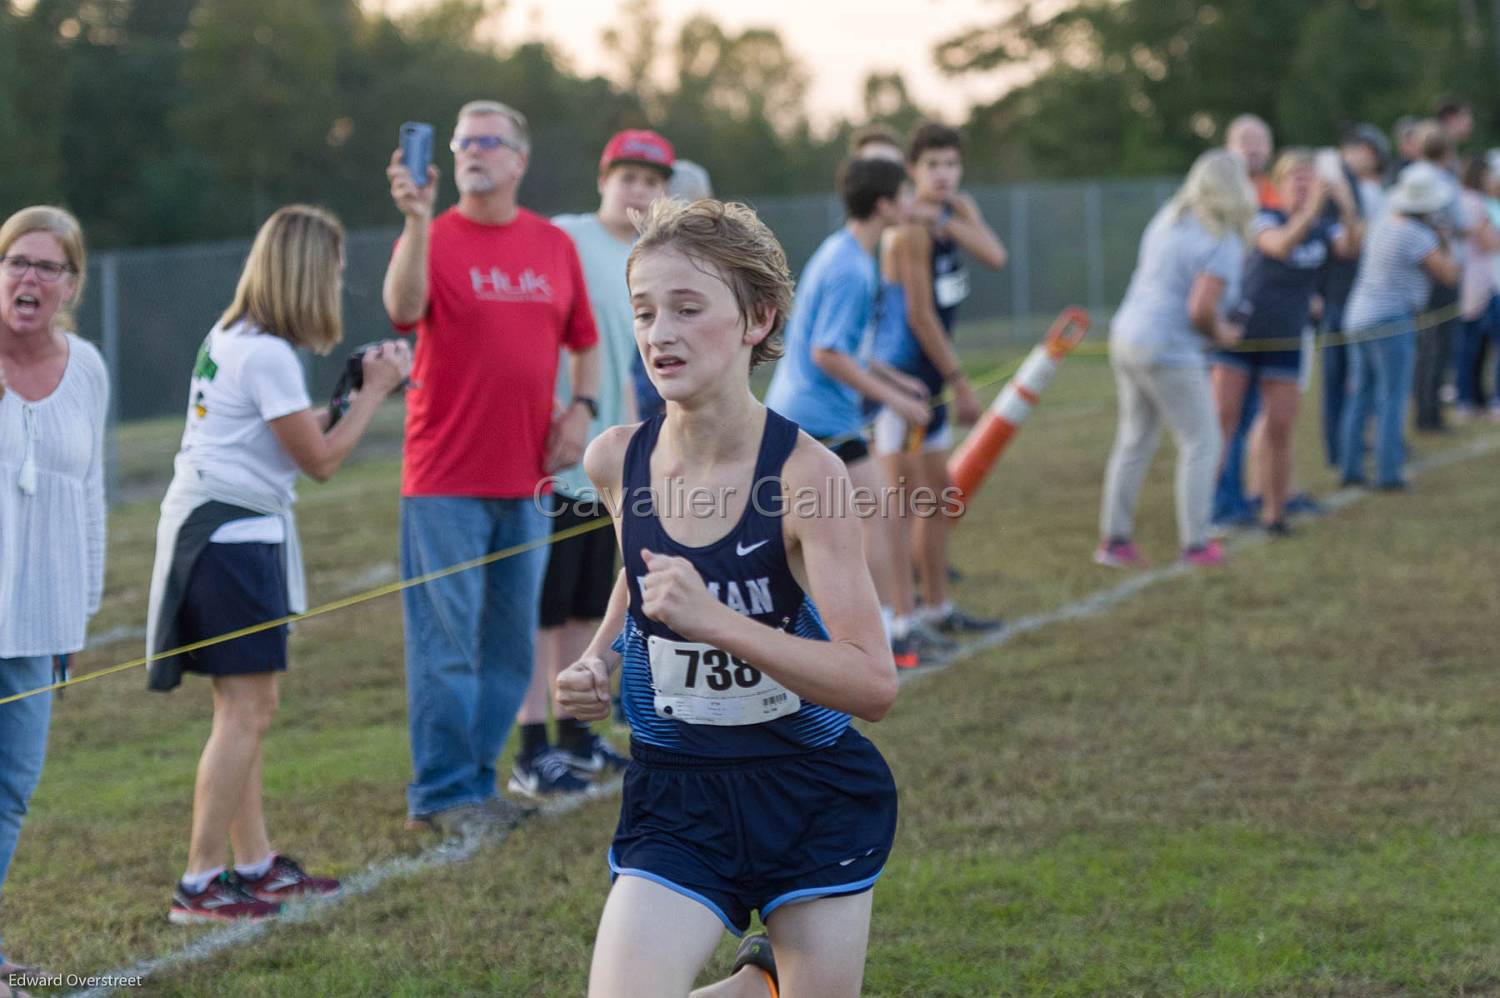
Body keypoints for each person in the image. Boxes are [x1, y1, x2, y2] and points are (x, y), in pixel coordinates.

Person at [556, 198, 899, 998]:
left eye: (686, 308)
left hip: (805, 788)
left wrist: (720, 622)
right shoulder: (616, 461)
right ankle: (759, 986)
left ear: (756, 319)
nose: (659, 334)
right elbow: (638, 575)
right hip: (679, 791)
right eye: (643, 312)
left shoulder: (808, 478)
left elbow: (873, 682)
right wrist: (598, 657)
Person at [145, 205, 412, 923]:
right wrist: (379, 394)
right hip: (229, 539)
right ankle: (199, 884)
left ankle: (255, 864)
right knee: (248, 711)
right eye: (333, 268)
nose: (338, 280)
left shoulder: (237, 335)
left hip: (221, 530)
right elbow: (322, 462)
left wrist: (352, 390)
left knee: (243, 711)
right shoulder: (263, 351)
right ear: (306, 272)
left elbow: (291, 440)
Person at [383, 100, 601, 833]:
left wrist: (583, 407)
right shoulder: (433, 235)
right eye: (464, 141)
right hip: (443, 481)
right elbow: (401, 307)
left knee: (508, 649)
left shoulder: (550, 244)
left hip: (528, 481)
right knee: (446, 649)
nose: (475, 151)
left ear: (519, 159)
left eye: (490, 141)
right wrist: (415, 218)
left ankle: (474, 783)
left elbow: (584, 339)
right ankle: (443, 793)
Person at [510, 130, 675, 799]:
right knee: (543, 608)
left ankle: (574, 730)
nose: (637, 189)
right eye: (627, 175)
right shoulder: (563, 236)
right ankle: (530, 745)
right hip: (555, 443)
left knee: (586, 598)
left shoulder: (649, 254)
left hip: (604, 455)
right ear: (603, 178)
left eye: (651, 179)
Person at [765, 157, 949, 668]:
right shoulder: (851, 267)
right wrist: (895, 400)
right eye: (905, 196)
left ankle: (887, 632)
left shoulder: (845, 252)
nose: (913, 205)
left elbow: (845, 345)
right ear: (886, 205)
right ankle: (884, 636)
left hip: (819, 415)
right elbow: (827, 352)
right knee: (875, 518)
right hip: (815, 419)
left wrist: (894, 379)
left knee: (862, 521)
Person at [0, 207, 106, 990]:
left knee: (9, 792)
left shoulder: (90, 368)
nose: (27, 277)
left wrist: (82, 610)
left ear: (70, 285)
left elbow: (91, 494)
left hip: (39, 619)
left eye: (46, 266)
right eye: (14, 262)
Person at [872, 121, 1007, 635]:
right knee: (902, 503)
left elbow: (996, 255)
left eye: (951, 164)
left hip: (931, 380)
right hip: (900, 384)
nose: (944, 174)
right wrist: (962, 380)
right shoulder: (907, 232)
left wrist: (952, 216)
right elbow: (920, 318)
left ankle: (937, 608)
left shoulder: (948, 216)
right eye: (932, 165)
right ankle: (900, 622)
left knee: (939, 496)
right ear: (913, 170)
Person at [1096, 150, 1254, 569]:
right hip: (1167, 348)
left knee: (1134, 439)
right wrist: (1224, 334)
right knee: (1202, 441)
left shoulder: (1169, 217)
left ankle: (1114, 540)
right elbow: (1201, 310)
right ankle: (1197, 544)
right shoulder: (1220, 239)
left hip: (1127, 335)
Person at [1210, 150, 1361, 535]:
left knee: (1279, 425)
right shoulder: (1264, 217)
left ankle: (1274, 514)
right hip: (1241, 336)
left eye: (1309, 177)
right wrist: (1311, 211)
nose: (1303, 183)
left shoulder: (1324, 228)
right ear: (1278, 185)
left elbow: (1351, 248)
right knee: (1222, 422)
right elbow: (1279, 247)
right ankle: (1206, 510)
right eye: (1295, 176)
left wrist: (1345, 202)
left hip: (1287, 339)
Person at [1340, 163, 1460, 487]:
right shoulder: (1417, 234)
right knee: (1391, 396)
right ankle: (1388, 472)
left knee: (1361, 394)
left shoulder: (1383, 222)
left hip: (1357, 316)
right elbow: (1448, 274)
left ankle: (1350, 467)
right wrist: (1444, 241)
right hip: (1390, 319)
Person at [1213, 113, 1277, 528]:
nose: (1252, 148)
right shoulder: (1217, 191)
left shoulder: (1272, 192)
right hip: (1222, 321)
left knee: (1250, 416)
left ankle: (1242, 497)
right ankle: (1222, 504)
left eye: (1259, 140)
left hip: (1263, 322)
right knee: (1224, 419)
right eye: (1243, 140)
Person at [1317, 126, 1387, 468]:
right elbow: (1346, 240)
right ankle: (1338, 449)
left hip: (1348, 292)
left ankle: (1350, 444)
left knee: (1350, 377)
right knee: (1336, 378)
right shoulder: (1333, 174)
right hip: (1334, 292)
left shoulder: (1349, 179)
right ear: (1360, 148)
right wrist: (1345, 198)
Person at [1410, 121, 1466, 432]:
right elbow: (1460, 221)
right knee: (1437, 344)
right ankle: (1429, 414)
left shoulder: (1413, 175)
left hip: (1424, 269)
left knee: (1428, 344)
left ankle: (1425, 410)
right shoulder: (1442, 181)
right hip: (1439, 268)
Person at [1454, 155, 1500, 419]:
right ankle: (1472, 398)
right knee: (1471, 344)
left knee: (1472, 344)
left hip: (1476, 280)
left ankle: (1469, 398)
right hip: (1479, 282)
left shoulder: (1466, 200)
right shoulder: (1474, 202)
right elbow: (1489, 242)